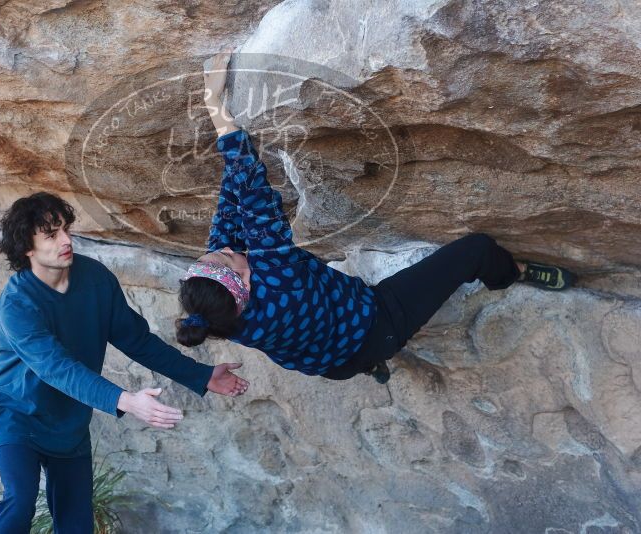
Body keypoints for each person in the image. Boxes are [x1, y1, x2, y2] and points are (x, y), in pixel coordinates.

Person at [176, 49, 576, 384]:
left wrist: (228, 147)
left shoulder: (222, 315)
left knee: (343, 351)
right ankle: (514, 273)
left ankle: (370, 367)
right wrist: (216, 109)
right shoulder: (277, 278)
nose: (225, 247)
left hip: (329, 366)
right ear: (245, 282)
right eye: (228, 257)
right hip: (377, 325)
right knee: (476, 250)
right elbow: (255, 197)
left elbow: (231, 210)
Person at [0, 192, 249, 534]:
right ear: (27, 249)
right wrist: (127, 401)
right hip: (16, 415)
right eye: (51, 235)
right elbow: (58, 369)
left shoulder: (95, 278)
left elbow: (136, 340)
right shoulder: (16, 304)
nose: (66, 240)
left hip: (69, 422)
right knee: (19, 502)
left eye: (65, 229)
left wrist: (201, 375)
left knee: (76, 524)